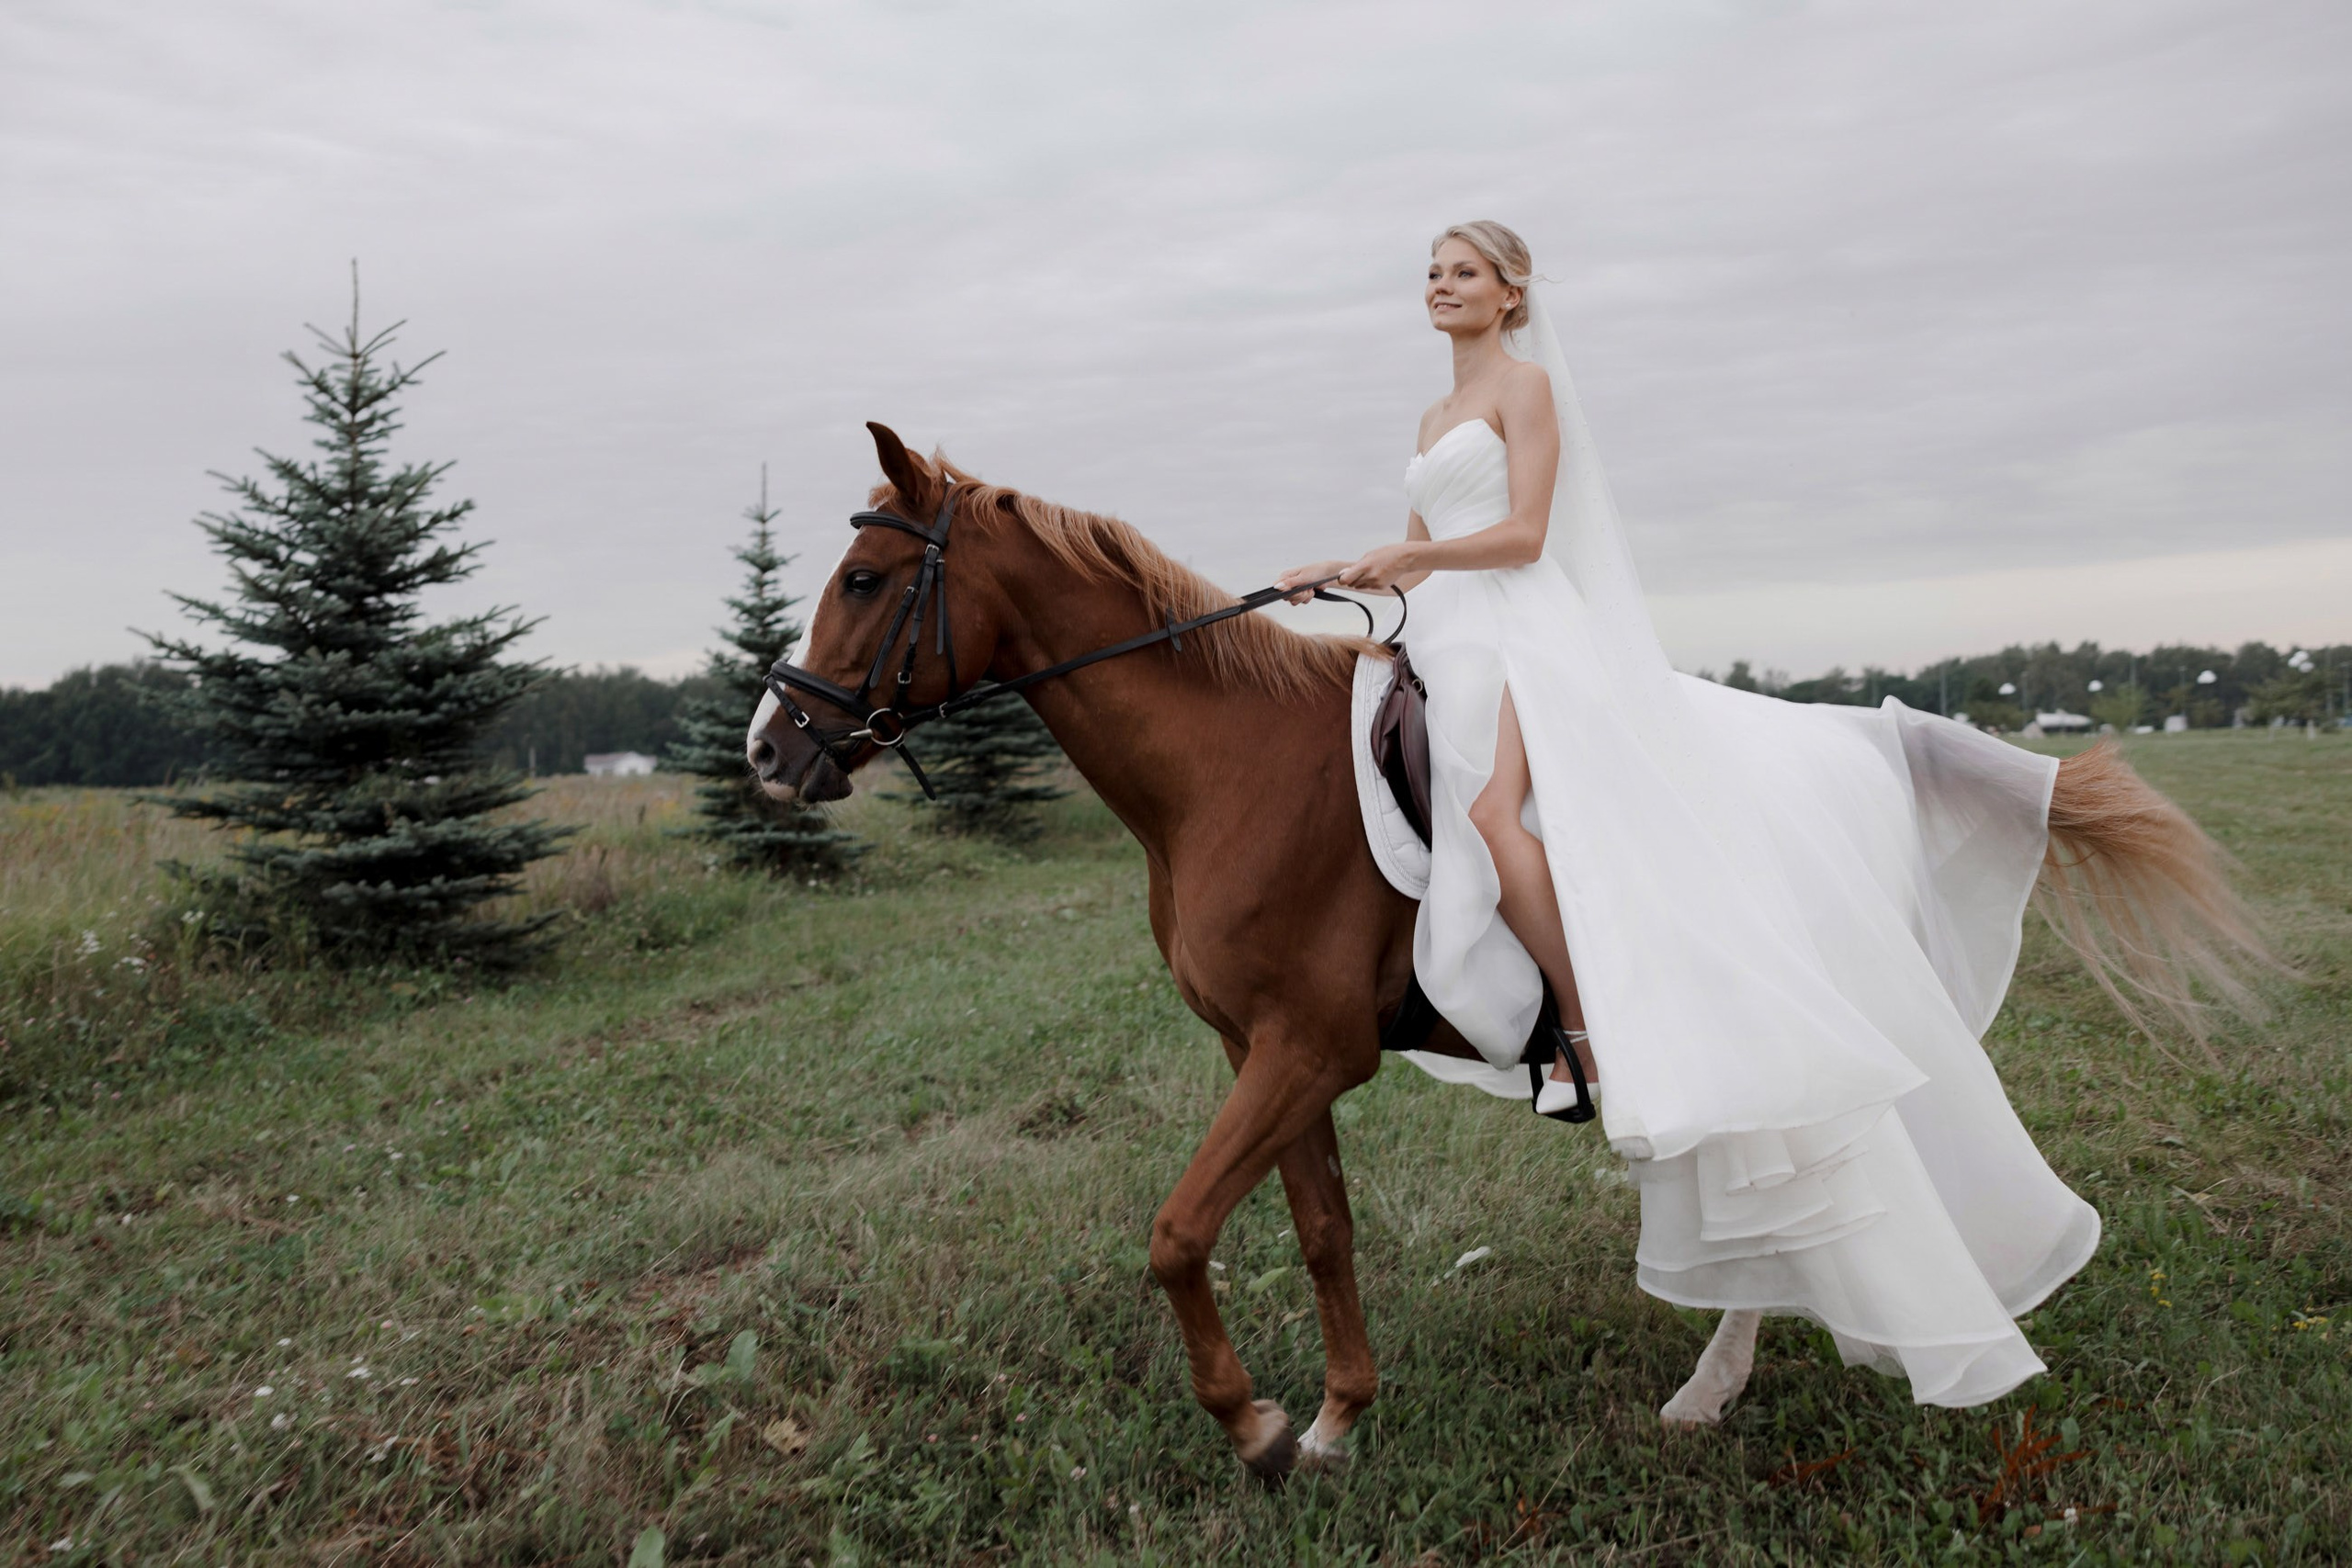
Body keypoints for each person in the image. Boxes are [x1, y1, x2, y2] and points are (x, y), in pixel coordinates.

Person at [1278, 221, 2099, 1412]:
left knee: (1500, 817)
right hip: (1450, 624)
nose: (1440, 286)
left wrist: (1418, 556)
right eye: (1431, 272)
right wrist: (1341, 575)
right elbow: (1418, 555)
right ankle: (1509, 1002)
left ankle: (1579, 1031)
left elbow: (1524, 536)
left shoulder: (1527, 387)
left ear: (1511, 294)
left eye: (1463, 272)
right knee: (1429, 797)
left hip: (1521, 627)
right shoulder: (1429, 417)